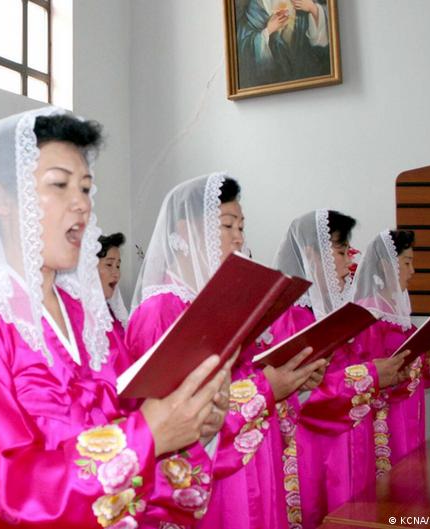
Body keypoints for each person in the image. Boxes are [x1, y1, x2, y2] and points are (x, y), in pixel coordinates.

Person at [0, 108, 231, 529]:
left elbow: (132, 422)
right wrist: (148, 435)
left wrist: (193, 427)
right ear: (0, 199)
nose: (81, 204)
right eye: (59, 184)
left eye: (86, 188)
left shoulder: (87, 318)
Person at [128, 174, 323, 529]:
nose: (239, 237)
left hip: (255, 463)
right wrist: (266, 389)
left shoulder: (226, 307)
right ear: (186, 231)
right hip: (213, 486)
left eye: (241, 227)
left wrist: (292, 381)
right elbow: (168, 423)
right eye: (227, 225)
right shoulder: (159, 311)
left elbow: (249, 379)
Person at [271, 209, 406, 529]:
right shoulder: (290, 317)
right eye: (341, 252)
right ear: (310, 255)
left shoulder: (334, 313)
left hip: (349, 439)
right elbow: (303, 396)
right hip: (313, 451)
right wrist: (371, 375)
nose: (348, 264)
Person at [352, 230, 430, 475]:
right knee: (390, 480)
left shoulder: (399, 312)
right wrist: (419, 356)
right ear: (387, 266)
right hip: (383, 417)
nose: (412, 271)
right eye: (407, 263)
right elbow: (370, 372)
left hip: (408, 409)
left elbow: (423, 373)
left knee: (411, 475)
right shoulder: (369, 313)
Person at [236, 0, 331, 88]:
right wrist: (268, 31)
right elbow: (243, 48)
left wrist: (313, 9)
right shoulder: (254, 10)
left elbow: (322, 44)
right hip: (274, 82)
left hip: (306, 78)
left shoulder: (300, 2)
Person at [96, 232, 132, 375]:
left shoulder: (113, 314)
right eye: (109, 264)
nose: (116, 273)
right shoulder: (83, 318)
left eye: (118, 266)